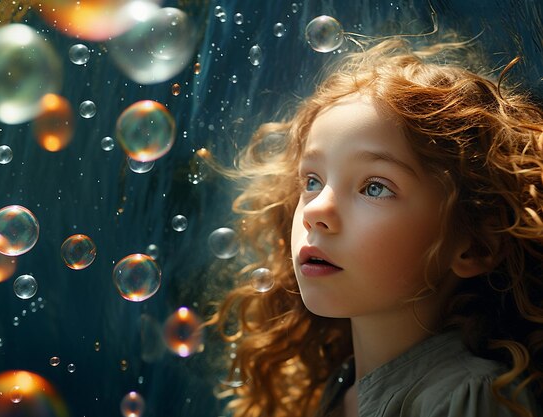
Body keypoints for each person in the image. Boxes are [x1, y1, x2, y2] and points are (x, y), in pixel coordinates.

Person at [206, 37, 543, 417]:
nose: (316, 210)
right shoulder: (336, 392)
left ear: (476, 244)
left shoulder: (470, 397)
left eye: (375, 187)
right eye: (312, 181)